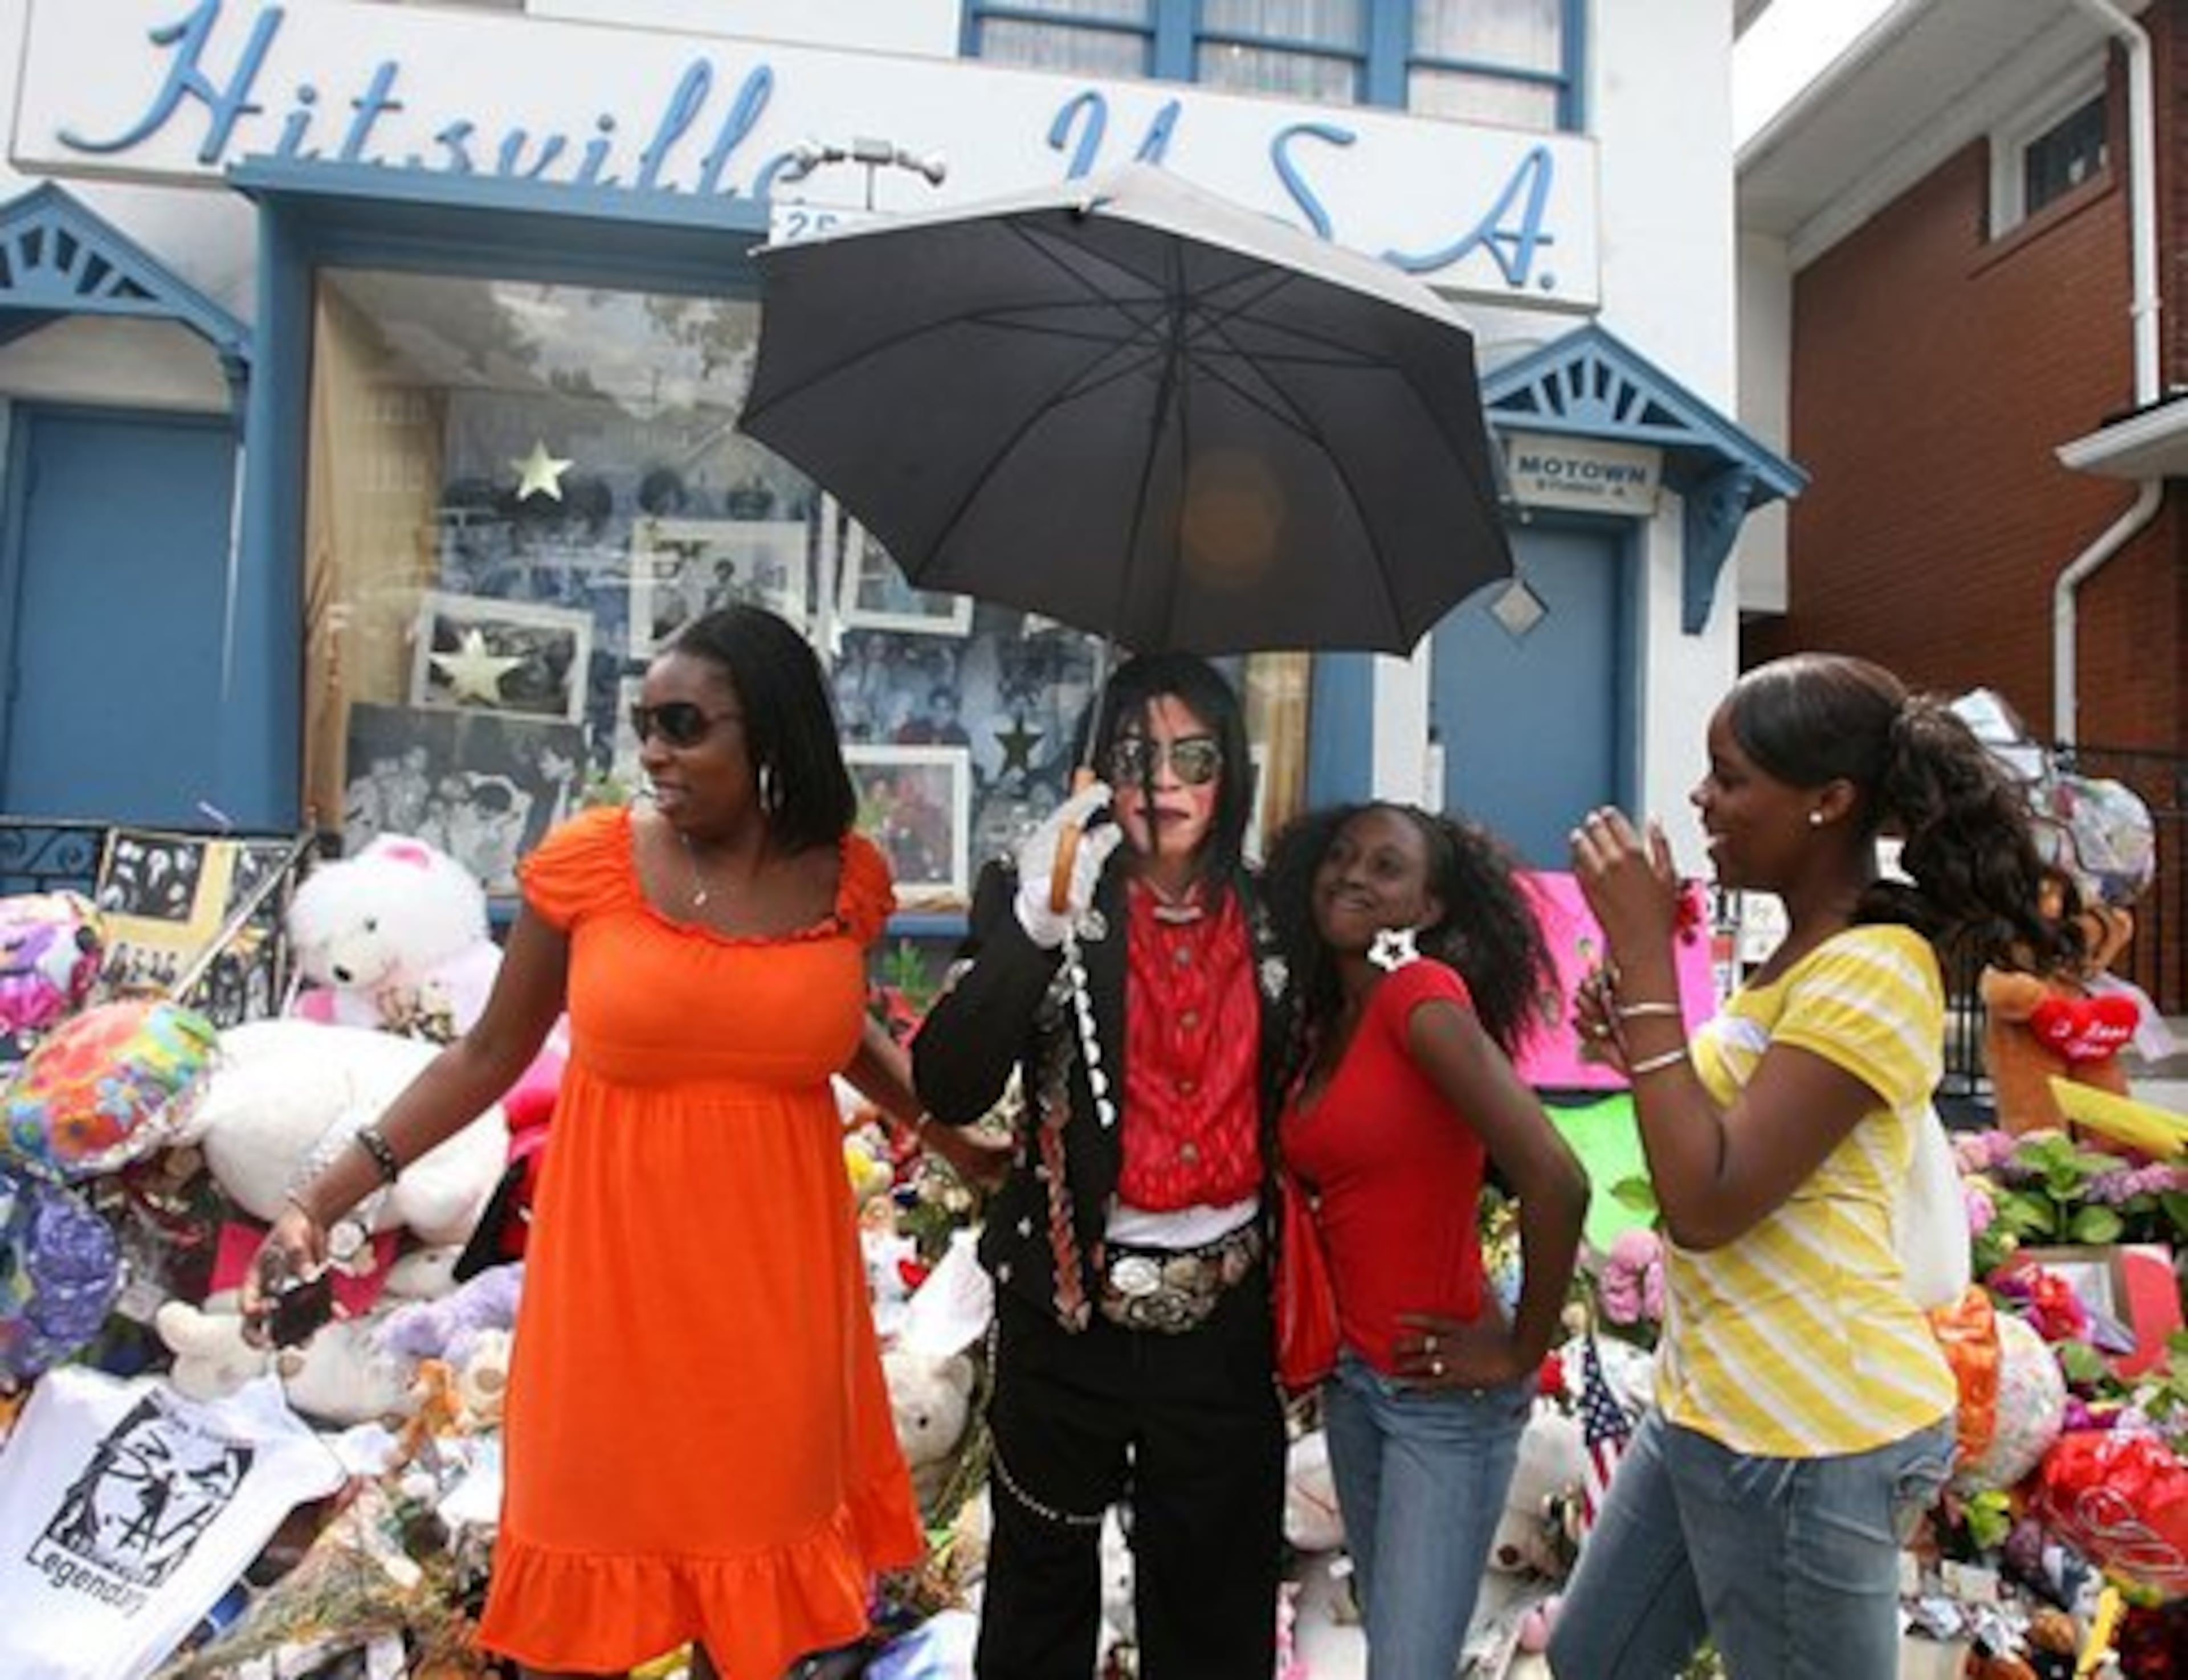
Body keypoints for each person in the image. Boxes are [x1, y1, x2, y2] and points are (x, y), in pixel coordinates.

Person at [247, 605, 962, 1680]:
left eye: (684, 724)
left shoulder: (840, 879)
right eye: (645, 724)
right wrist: (321, 1197)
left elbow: (827, 1031)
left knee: (751, 1623)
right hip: (611, 1298)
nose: (655, 752)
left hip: (777, 1305)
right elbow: (483, 1056)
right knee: (576, 1614)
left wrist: (960, 1140)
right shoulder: (590, 867)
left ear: (767, 733)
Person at [1552, 652, 2080, 1680]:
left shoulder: (1879, 969)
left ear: (1830, 801)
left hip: (1807, 1437)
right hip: (1715, 1402)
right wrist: (1639, 1036)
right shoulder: (1800, 955)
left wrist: (1653, 967)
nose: (1703, 797)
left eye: (1731, 775)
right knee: (1594, 1657)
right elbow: (1721, 1136)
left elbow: (1708, 1203)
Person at [913, 651, 1288, 1680]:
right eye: (1134, 754)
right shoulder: (1042, 897)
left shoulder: (1278, 912)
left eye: (1192, 755)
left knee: (1211, 1605)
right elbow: (945, 1081)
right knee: (1038, 1590)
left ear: (1232, 772)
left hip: (1222, 1320)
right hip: (1065, 1313)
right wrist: (1039, 917)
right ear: (1095, 774)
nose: (1163, 782)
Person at [1262, 802, 1588, 1680]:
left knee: (1406, 1667)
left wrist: (1521, 1346)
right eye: (1342, 856)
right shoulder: (1331, 1018)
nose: (1354, 875)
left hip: (1442, 1397)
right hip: (1359, 1384)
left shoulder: (1420, 998)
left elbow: (1557, 1178)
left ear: (1429, 907)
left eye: (1386, 866)